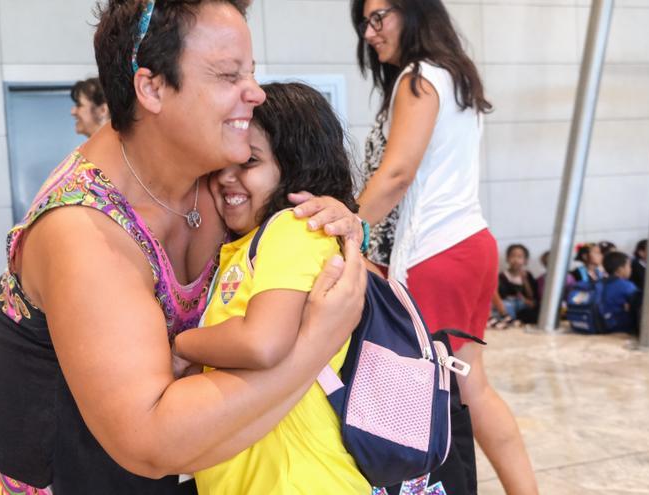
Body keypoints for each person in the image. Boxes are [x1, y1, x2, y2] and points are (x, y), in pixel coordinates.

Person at [0, 1, 366, 493]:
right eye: (227, 76)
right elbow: (150, 440)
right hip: (67, 467)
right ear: (151, 87)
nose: (254, 93)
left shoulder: (216, 173)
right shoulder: (83, 231)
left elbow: (284, 242)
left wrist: (331, 219)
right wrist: (316, 342)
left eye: (251, 73)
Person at [298, 0, 538, 492]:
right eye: (364, 22)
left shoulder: (418, 79)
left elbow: (397, 173)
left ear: (414, 11)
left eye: (378, 16)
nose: (370, 31)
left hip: (436, 254)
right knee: (471, 388)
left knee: (427, 392)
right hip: (467, 244)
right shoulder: (453, 77)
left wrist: (351, 227)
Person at [172, 82, 369, 494]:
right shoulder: (246, 245)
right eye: (224, 160)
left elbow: (262, 342)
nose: (226, 176)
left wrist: (182, 345)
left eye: (249, 162)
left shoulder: (294, 228)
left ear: (295, 166)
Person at [491, 244, 538, 326]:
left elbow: (532, 295)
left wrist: (525, 280)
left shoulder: (527, 275)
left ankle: (514, 320)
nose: (516, 260)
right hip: (509, 304)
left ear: (525, 260)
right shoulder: (502, 276)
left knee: (534, 312)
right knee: (507, 306)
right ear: (507, 258)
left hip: (523, 306)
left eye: (520, 257)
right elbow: (501, 296)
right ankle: (509, 320)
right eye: (512, 256)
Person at [599, 251, 640, 334]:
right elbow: (641, 305)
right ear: (620, 269)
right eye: (629, 266)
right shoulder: (626, 285)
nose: (631, 269)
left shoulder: (599, 283)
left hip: (600, 324)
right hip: (618, 328)